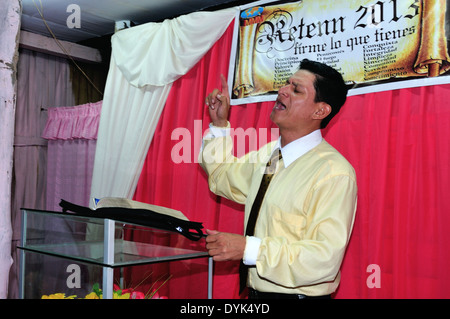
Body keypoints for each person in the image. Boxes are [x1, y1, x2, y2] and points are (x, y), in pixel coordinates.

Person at [200, 59, 357, 299]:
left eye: (296, 90)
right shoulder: (269, 156)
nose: (283, 90)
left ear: (320, 111)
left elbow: (324, 259)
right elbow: (222, 175)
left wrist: (249, 248)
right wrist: (220, 125)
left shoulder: (333, 172)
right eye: (286, 83)